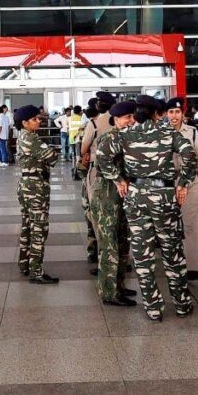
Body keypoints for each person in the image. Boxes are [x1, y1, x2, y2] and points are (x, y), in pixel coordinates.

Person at [99, 95, 197, 322]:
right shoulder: (169, 133)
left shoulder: (125, 134)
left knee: (142, 255)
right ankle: (182, 304)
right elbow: (189, 154)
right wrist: (183, 183)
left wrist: (118, 180)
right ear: (156, 114)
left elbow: (102, 156)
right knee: (172, 251)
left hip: (135, 196)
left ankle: (153, 308)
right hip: (164, 196)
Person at [90, 101, 136, 306]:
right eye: (127, 117)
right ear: (116, 119)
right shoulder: (110, 137)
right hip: (107, 193)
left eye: (132, 117)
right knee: (109, 243)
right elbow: (103, 161)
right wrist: (119, 179)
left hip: (121, 194)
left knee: (122, 241)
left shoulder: (128, 137)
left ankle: (119, 285)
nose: (131, 121)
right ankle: (109, 292)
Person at [15, 105, 60, 284]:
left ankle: (24, 263)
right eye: (34, 119)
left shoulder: (22, 135)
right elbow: (52, 157)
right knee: (39, 228)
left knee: (27, 224)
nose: (38, 121)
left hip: (26, 184)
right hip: (35, 187)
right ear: (24, 122)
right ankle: (36, 271)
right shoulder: (32, 138)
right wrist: (50, 151)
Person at [165, 98, 198, 281]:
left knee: (191, 226)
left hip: (190, 182)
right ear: (166, 114)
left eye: (177, 112)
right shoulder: (161, 132)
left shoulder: (193, 133)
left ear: (183, 114)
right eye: (171, 112)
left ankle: (191, 267)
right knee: (169, 227)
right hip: (168, 183)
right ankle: (173, 266)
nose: (174, 116)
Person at [79, 92, 116, 264]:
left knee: (96, 213)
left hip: (98, 172)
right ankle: (121, 257)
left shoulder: (94, 123)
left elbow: (83, 149)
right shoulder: (121, 121)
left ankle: (100, 254)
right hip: (119, 173)